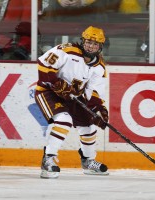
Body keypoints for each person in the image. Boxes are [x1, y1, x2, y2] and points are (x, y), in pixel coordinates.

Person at [35, 26, 109, 179]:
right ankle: (48, 159)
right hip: (48, 92)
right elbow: (44, 65)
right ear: (83, 41)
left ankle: (88, 161)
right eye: (88, 42)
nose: (91, 46)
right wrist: (55, 83)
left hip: (73, 97)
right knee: (64, 120)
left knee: (89, 125)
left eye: (95, 44)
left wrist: (98, 109)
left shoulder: (100, 67)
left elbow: (93, 92)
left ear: (100, 46)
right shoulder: (67, 51)